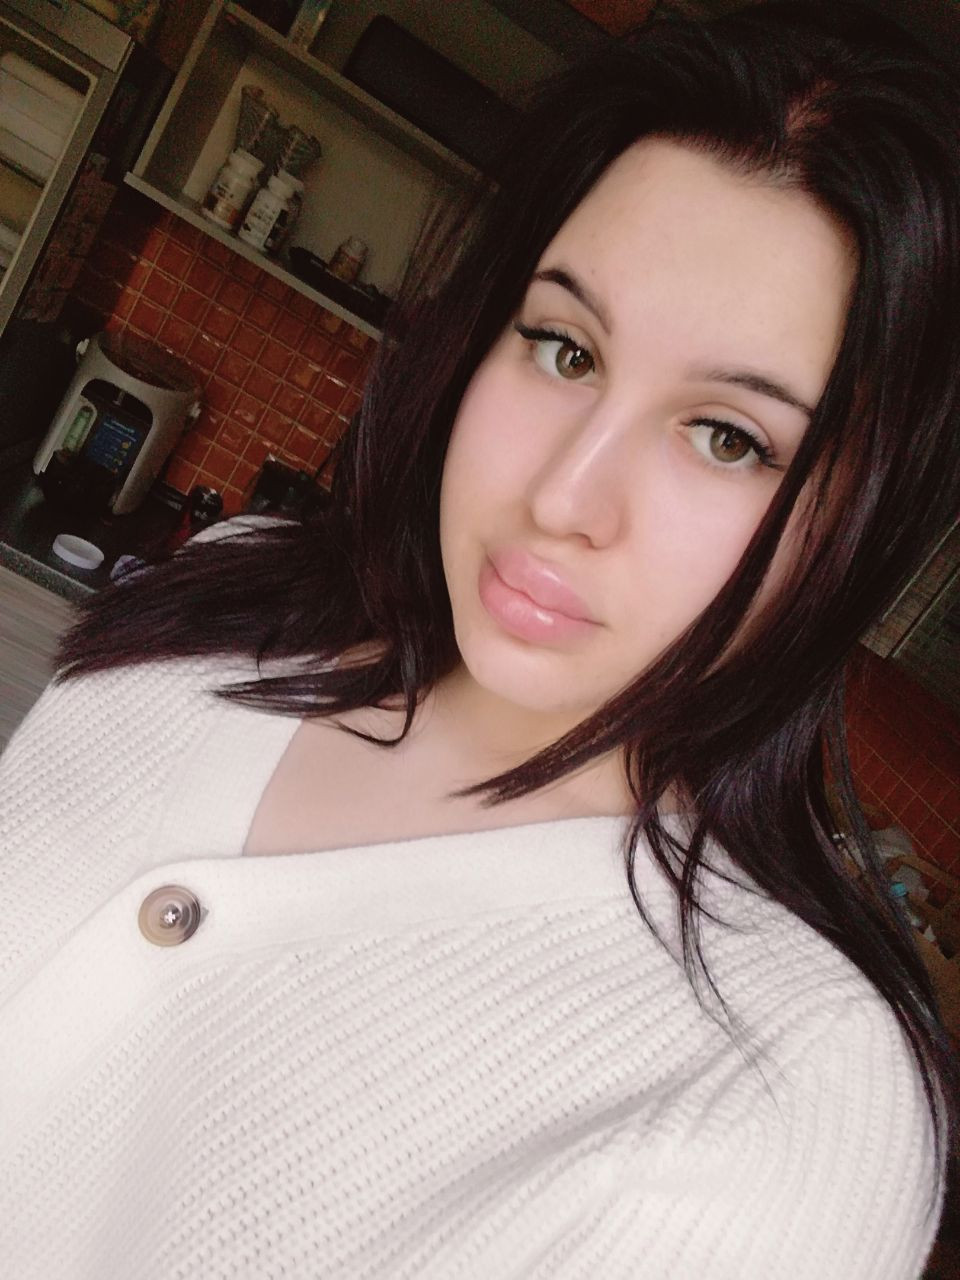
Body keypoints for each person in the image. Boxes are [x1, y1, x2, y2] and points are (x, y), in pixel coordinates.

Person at [1, 2, 958, 1276]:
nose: (564, 495)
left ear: (859, 530)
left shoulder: (787, 1102)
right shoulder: (229, 600)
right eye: (564, 348)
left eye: (729, 436)